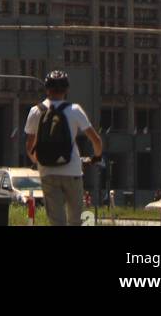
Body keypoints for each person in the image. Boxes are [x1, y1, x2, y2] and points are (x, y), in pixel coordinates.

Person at [24, 70, 102, 227]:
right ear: (66, 90)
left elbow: (29, 146)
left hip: (47, 172)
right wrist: (96, 157)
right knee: (75, 220)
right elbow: (96, 140)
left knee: (57, 221)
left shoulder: (36, 111)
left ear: (47, 89)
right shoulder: (74, 110)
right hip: (72, 171)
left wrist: (37, 162)